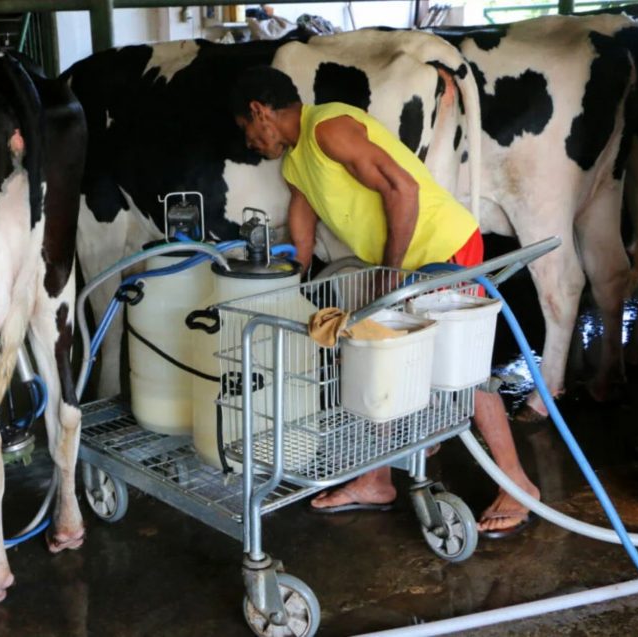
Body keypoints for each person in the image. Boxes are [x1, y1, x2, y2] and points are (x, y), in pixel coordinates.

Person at [229, 65, 540, 537]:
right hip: (397, 265)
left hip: (441, 249)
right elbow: (302, 219)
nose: (249, 141)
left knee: (460, 366)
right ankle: (376, 479)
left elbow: (403, 188)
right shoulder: (295, 162)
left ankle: (518, 483)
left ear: (260, 111)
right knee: (379, 360)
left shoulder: (328, 127)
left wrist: (390, 275)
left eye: (246, 129)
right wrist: (287, 275)